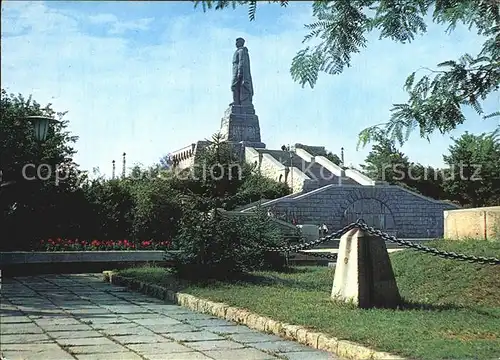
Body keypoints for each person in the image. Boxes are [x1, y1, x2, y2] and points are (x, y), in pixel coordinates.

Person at [231, 37, 254, 106]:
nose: (236, 43)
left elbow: (242, 62)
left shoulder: (241, 51)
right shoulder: (238, 51)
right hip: (235, 72)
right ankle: (236, 101)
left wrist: (239, 73)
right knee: (235, 86)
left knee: (235, 86)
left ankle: (237, 101)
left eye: (238, 42)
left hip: (238, 72)